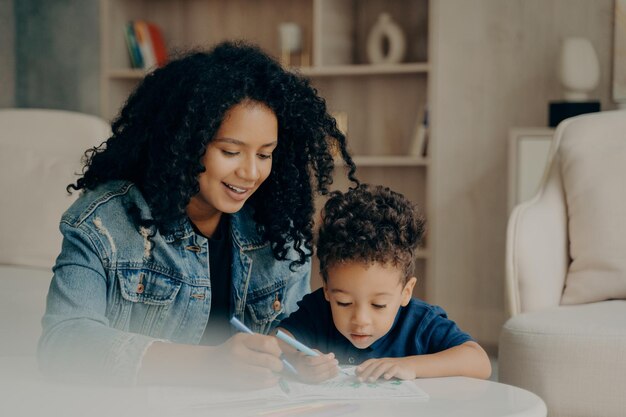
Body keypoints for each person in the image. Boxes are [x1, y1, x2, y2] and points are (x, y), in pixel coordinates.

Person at [38, 41, 357, 389]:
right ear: (185, 142)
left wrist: (298, 359)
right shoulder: (104, 222)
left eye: (265, 155)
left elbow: (296, 334)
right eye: (231, 151)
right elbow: (63, 344)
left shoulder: (279, 228)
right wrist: (209, 363)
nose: (250, 173)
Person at [276, 184, 491, 383]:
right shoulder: (318, 312)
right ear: (327, 290)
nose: (360, 320)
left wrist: (410, 366)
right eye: (343, 302)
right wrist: (297, 360)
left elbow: (479, 362)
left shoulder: (419, 323)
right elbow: (276, 342)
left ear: (406, 292)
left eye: (378, 305)